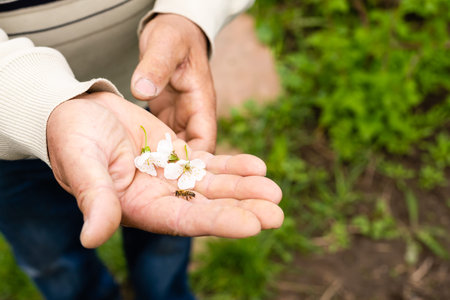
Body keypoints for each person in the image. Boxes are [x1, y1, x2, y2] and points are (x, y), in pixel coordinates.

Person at [0, 1, 284, 299]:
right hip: (11, 121)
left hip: (146, 100)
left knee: (167, 231)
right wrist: (41, 103)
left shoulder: (157, 146)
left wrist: (187, 15)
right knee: (49, 255)